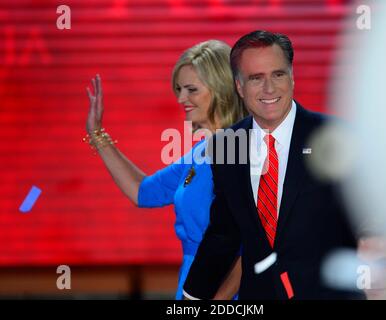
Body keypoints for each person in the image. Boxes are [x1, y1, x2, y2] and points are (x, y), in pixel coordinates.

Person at [183, 30, 363, 300]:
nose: (269, 88)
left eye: (278, 74)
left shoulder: (336, 138)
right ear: (239, 87)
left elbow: (364, 223)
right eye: (256, 78)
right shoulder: (225, 146)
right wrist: (191, 298)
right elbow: (224, 233)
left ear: (292, 77)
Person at [84, 40, 247, 300]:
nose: (181, 98)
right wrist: (97, 133)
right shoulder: (200, 153)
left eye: (191, 89)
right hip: (193, 284)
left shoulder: (239, 149)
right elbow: (142, 191)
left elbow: (250, 246)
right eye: (179, 89)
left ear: (221, 90)